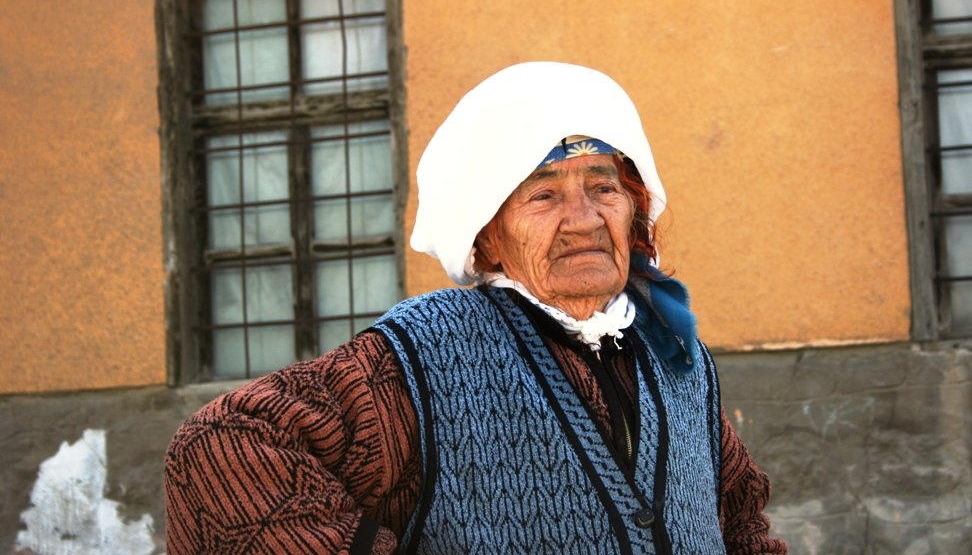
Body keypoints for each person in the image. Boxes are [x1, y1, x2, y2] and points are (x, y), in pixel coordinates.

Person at [164, 61, 788, 554]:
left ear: (634, 210)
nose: (585, 219)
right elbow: (219, 450)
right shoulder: (430, 350)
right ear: (487, 236)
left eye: (604, 187)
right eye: (544, 196)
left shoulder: (675, 353)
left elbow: (738, 522)